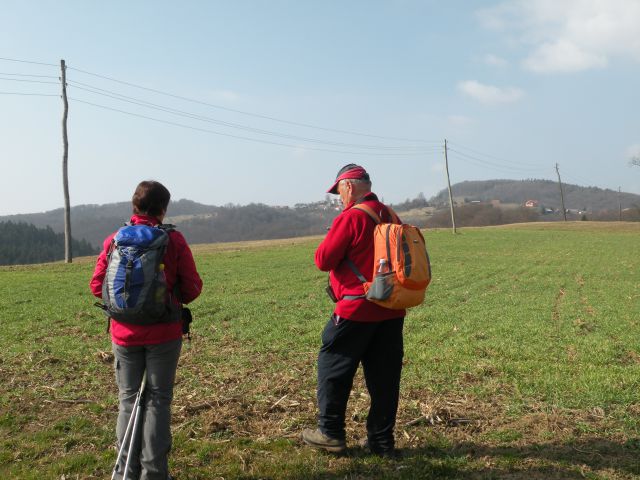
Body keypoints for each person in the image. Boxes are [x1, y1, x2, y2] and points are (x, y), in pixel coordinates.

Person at [90, 180, 203, 480]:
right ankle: (154, 474)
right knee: (158, 400)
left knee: (128, 398)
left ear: (134, 206)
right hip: (164, 334)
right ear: (163, 210)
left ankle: (125, 471)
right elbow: (192, 288)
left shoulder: (114, 240)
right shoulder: (174, 240)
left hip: (124, 335)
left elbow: (95, 286)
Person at [302, 164, 405, 457]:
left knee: (332, 366)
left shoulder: (351, 218)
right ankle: (381, 441)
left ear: (348, 186)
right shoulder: (391, 214)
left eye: (338, 191)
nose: (338, 198)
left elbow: (323, 259)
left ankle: (331, 433)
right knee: (384, 378)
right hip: (391, 308)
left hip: (356, 308)